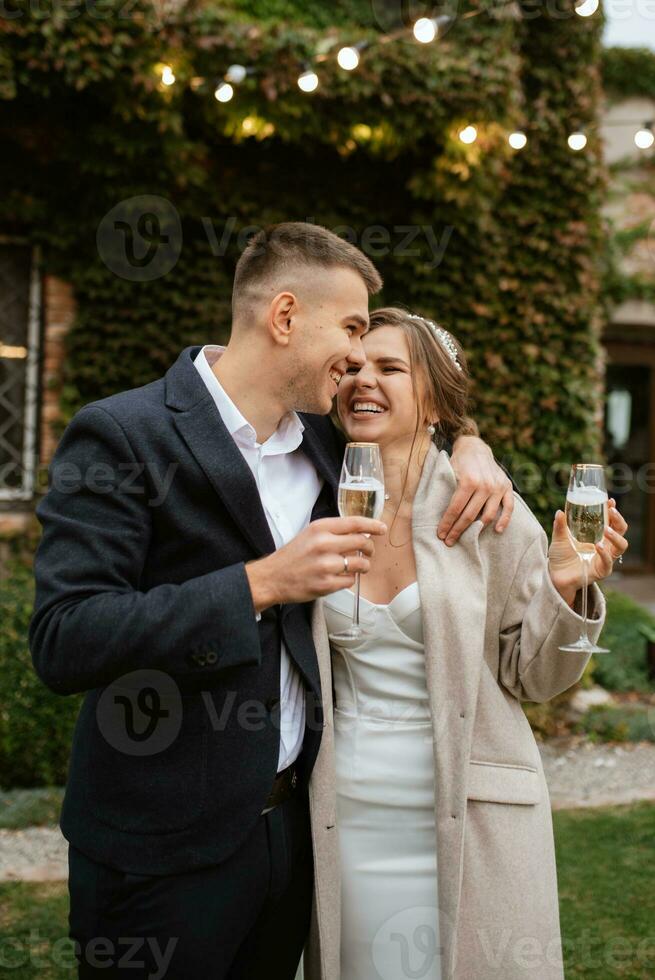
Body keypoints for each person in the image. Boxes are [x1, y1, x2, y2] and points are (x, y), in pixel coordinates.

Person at [28, 224, 516, 980]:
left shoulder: (328, 447)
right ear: (284, 317)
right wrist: (260, 584)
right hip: (160, 853)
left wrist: (474, 448)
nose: (358, 359)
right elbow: (66, 637)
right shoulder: (123, 435)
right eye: (350, 329)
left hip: (295, 839)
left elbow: (417, 428)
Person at [302, 307, 628, 980]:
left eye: (391, 368)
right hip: (342, 814)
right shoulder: (307, 498)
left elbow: (536, 678)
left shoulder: (491, 513)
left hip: (465, 811)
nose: (364, 380)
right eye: (354, 366)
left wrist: (566, 589)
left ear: (434, 401)